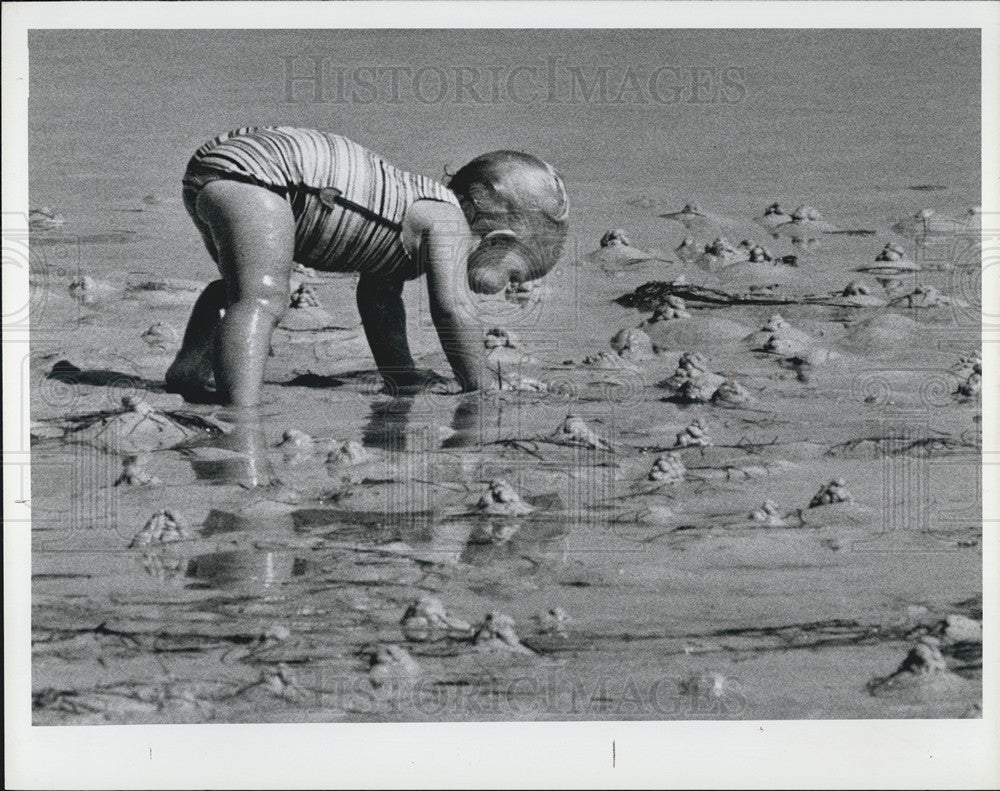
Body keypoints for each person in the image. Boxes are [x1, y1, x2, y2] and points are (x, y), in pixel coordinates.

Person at [165, 126, 569, 407]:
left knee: (238, 288)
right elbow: (453, 310)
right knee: (262, 297)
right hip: (265, 177)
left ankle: (188, 370)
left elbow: (379, 303)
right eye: (514, 276)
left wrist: (400, 373)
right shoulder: (445, 220)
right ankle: (242, 410)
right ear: (497, 242)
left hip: (220, 171)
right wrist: (480, 382)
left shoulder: (405, 226)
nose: (506, 290)